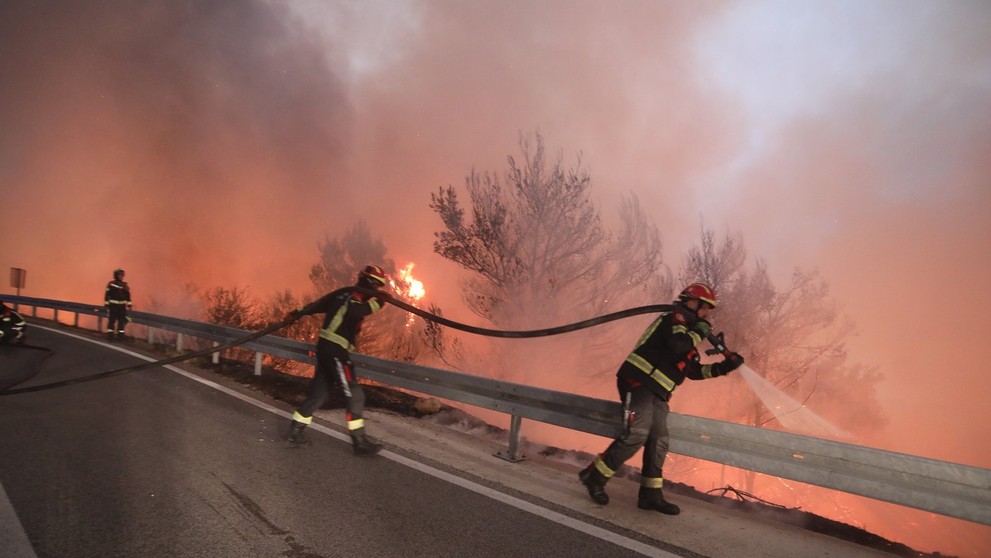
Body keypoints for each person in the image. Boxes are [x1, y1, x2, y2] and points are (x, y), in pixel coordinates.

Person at [579, 282, 744, 515]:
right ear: (691, 302)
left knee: (659, 441)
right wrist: (700, 329)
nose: (707, 314)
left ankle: (650, 495)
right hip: (639, 382)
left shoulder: (689, 335)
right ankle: (593, 476)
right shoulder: (674, 320)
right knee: (637, 433)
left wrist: (724, 367)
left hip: (658, 393)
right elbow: (678, 345)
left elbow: (694, 372)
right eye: (705, 308)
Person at [285, 264, 389, 455]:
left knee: (319, 395)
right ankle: (359, 442)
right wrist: (380, 302)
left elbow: (315, 305)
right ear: (369, 282)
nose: (377, 290)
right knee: (355, 394)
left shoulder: (341, 295)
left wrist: (297, 312)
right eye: (377, 286)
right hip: (336, 352)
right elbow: (358, 312)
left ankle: (295, 431)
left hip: (325, 350)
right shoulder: (353, 298)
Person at [104, 268, 132, 340]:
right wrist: (106, 304)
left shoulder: (125, 286)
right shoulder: (111, 284)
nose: (121, 276)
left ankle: (120, 335)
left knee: (121, 321)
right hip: (113, 306)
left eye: (122, 275)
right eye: (120, 275)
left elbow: (128, 296)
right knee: (112, 320)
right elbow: (107, 295)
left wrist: (129, 305)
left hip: (122, 307)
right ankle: (110, 335)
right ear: (116, 275)